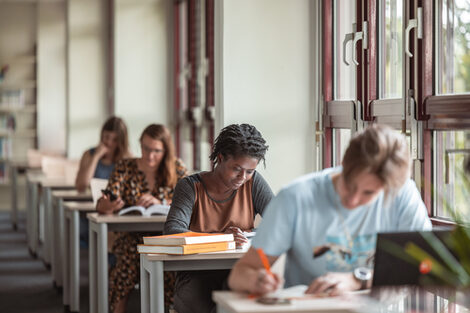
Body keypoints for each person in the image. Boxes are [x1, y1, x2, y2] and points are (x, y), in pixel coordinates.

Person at [228, 124, 432, 296]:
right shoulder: (296, 197)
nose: (353, 200)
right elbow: (240, 274)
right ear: (343, 164)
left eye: (368, 193)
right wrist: (257, 281)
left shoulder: (403, 195)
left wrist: (358, 279)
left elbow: (424, 267)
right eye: (349, 185)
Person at [164, 123, 274, 313]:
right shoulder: (190, 187)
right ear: (220, 158)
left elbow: (279, 224)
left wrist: (248, 235)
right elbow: (173, 231)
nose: (243, 177)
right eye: (237, 169)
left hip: (239, 270)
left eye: (250, 171)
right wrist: (222, 239)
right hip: (196, 274)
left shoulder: (254, 183)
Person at [97, 124, 188, 313]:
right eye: (146, 148)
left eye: (156, 150)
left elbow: (191, 202)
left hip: (165, 236)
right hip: (130, 237)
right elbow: (103, 202)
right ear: (140, 145)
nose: (150, 155)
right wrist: (108, 205)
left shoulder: (177, 168)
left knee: (172, 264)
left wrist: (161, 201)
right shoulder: (125, 167)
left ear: (165, 150)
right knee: (128, 259)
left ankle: (166, 308)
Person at [75, 116, 131, 192]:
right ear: (102, 135)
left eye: (115, 140)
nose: (109, 142)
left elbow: (130, 189)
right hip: (91, 201)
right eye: (107, 137)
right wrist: (96, 157)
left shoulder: (128, 157)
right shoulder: (88, 154)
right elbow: (81, 186)